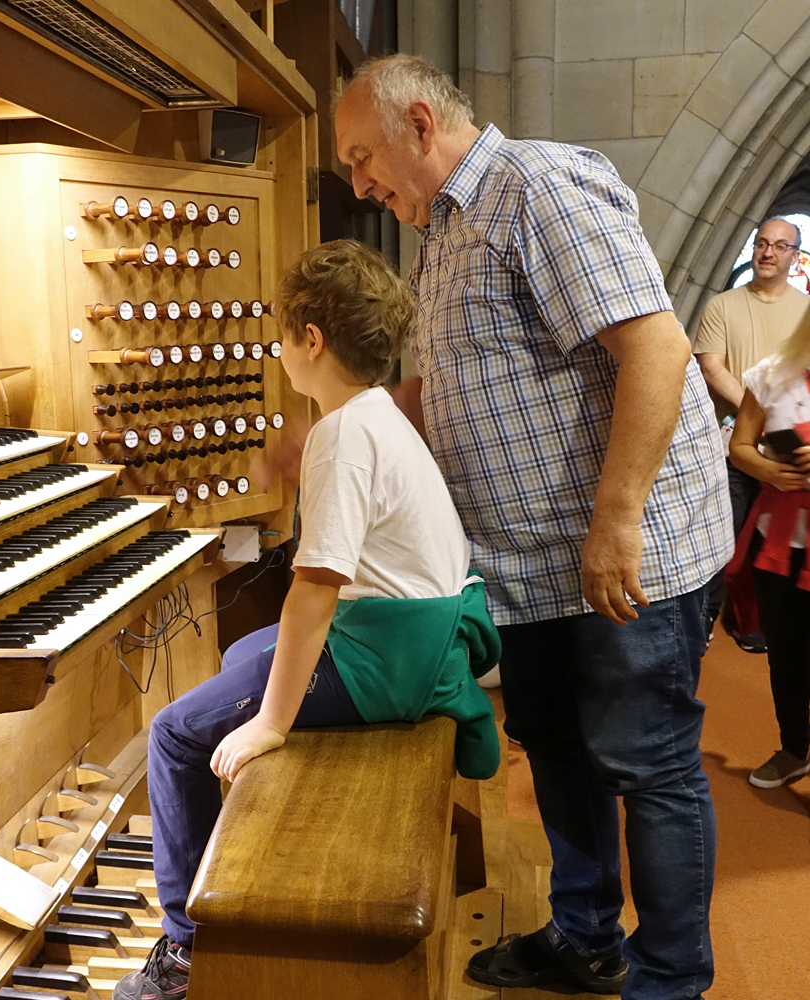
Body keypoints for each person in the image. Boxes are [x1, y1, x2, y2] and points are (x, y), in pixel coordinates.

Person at [335, 54, 731, 999]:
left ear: (419, 125)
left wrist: (616, 520)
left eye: (361, 158)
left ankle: (672, 979)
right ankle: (587, 937)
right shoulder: (444, 237)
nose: (356, 184)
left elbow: (658, 347)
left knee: (649, 764)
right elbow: (455, 387)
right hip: (531, 569)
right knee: (555, 746)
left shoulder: (537, 186)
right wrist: (337, 432)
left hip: (629, 557)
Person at [112, 239, 502, 1000]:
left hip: (384, 664)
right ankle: (236, 840)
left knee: (174, 735)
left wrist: (271, 725)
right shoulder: (373, 414)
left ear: (311, 339)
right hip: (409, 639)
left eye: (281, 335)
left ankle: (188, 954)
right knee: (244, 656)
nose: (277, 350)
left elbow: (314, 594)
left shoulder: (344, 436)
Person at [694, 217, 809, 652]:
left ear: (794, 257)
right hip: (734, 445)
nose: (767, 252)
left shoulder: (804, 311)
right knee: (722, 537)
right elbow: (710, 367)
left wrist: (777, 420)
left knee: (775, 541)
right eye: (761, 243)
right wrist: (759, 412)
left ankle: (755, 621)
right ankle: (704, 616)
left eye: (780, 246)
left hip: (792, 448)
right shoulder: (723, 305)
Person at [727, 310, 810, 788]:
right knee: (785, 652)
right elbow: (741, 445)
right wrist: (772, 470)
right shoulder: (774, 373)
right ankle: (795, 747)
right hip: (779, 540)